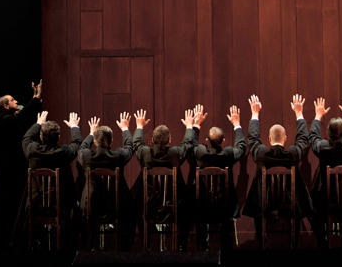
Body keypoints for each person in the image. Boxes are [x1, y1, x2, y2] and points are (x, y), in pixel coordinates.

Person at [242, 94, 313, 248]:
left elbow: (253, 139)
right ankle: (293, 244)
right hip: (291, 207)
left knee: (258, 207)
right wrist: (299, 114)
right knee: (297, 205)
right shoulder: (293, 155)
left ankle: (263, 245)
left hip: (264, 207)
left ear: (269, 138)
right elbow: (302, 140)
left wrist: (255, 114)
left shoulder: (261, 156)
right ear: (285, 138)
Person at [131, 106, 203, 250]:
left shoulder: (145, 154)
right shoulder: (175, 154)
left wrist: (139, 126)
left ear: (152, 140)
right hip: (174, 204)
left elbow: (137, 143)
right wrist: (190, 126)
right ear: (170, 140)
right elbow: (187, 143)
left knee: (138, 204)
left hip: (149, 205)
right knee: (187, 206)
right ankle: (182, 245)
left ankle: (146, 244)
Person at [12, 110, 82, 250]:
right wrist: (74, 127)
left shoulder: (32, 151)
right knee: (77, 207)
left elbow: (27, 138)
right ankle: (69, 247)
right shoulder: (63, 153)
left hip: (35, 204)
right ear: (58, 137)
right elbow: (76, 143)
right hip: (61, 205)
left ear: (40, 137)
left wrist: (38, 123)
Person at [0, 80, 43, 250]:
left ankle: (17, 238)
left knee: (15, 202)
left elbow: (23, 119)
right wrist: (36, 98)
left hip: (13, 167)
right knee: (7, 202)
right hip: (7, 168)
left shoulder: (10, 120)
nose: (16, 101)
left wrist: (35, 101)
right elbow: (20, 116)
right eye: (13, 100)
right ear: (5, 106)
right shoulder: (1, 120)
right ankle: (5, 239)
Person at [307, 97, 342, 247]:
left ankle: (323, 242)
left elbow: (313, 137)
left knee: (310, 209)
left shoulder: (323, 148)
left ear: (328, 133)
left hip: (324, 205)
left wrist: (318, 116)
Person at [192, 105, 245, 251]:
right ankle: (226, 249)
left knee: (199, 210)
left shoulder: (201, 154)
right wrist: (237, 124)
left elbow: (192, 145)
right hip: (225, 209)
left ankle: (204, 250)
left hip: (203, 208)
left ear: (207, 141)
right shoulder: (228, 154)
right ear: (224, 140)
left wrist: (196, 124)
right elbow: (241, 147)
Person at [77, 113, 135, 247]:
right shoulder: (118, 156)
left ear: (95, 142)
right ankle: (126, 246)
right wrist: (125, 129)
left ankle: (88, 245)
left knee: (80, 209)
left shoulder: (86, 157)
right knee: (131, 208)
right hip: (117, 206)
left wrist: (91, 133)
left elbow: (81, 148)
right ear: (111, 141)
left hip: (91, 206)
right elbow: (129, 147)